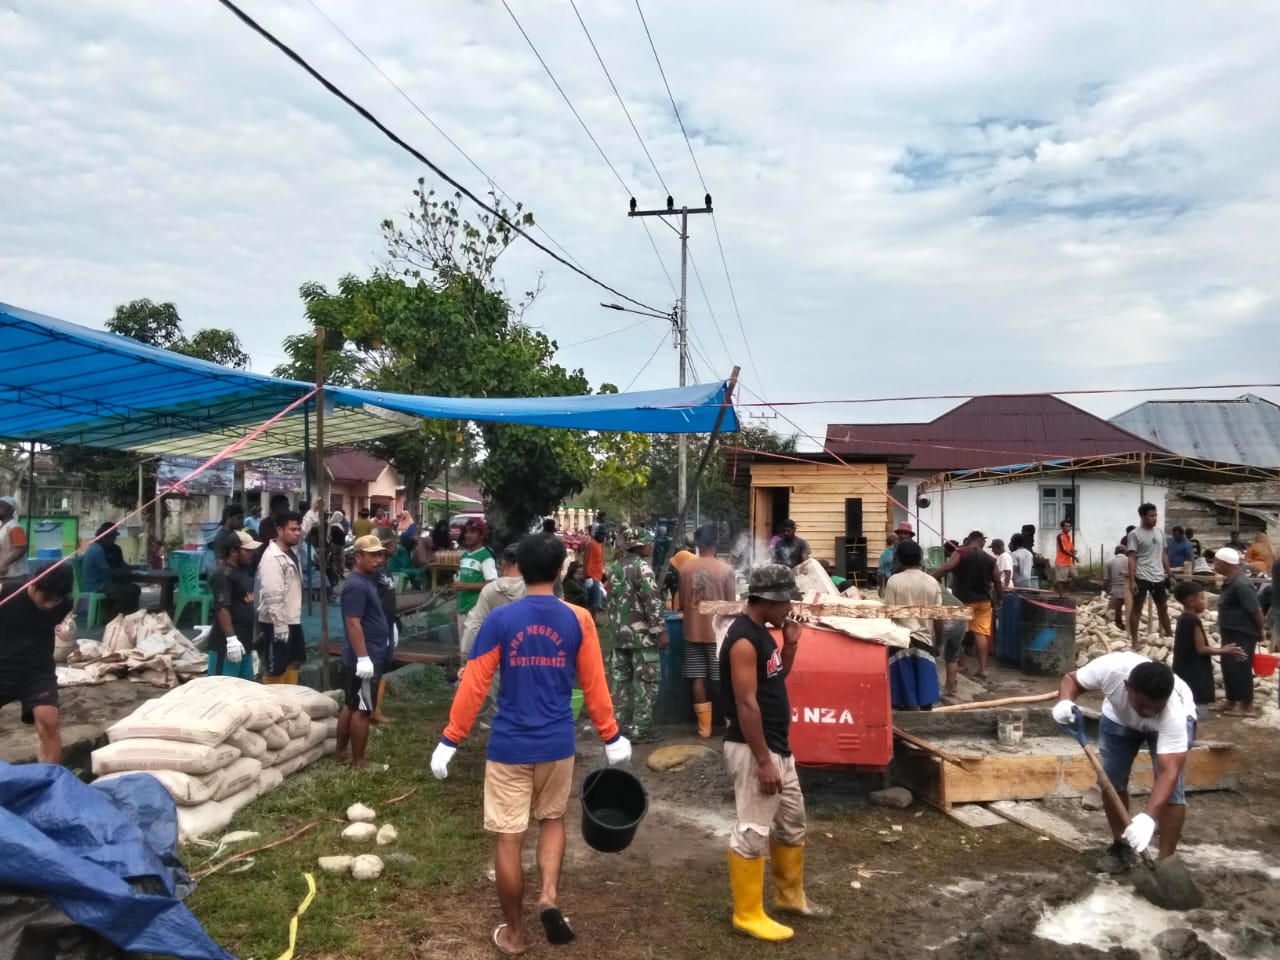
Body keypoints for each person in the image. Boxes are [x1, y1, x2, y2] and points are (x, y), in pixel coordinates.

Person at [430, 533, 630, 956]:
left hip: (509, 747)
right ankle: (549, 897)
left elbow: (474, 684)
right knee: (552, 819)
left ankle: (516, 933)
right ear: (561, 570)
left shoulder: (502, 620)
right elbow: (594, 683)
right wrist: (610, 735)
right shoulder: (579, 619)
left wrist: (451, 739)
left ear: (518, 567)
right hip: (557, 744)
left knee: (508, 839)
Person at [721, 564, 830, 942]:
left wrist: (792, 642)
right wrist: (764, 761)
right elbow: (746, 704)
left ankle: (789, 897)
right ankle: (747, 914)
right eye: (785, 600)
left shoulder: (765, 634)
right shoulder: (743, 641)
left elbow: (776, 676)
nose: (789, 606)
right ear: (765, 599)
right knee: (753, 831)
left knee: (791, 822)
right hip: (756, 750)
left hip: (777, 747)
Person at [1053, 653, 1197, 870]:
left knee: (1173, 794)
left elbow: (1169, 772)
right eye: (1142, 705)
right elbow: (1071, 680)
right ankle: (1122, 848)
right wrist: (1065, 702)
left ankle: (1166, 863)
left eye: (1155, 708)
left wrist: (1149, 818)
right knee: (1111, 780)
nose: (1147, 713)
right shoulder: (1112, 669)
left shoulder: (1173, 714)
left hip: (1165, 730)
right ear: (1127, 686)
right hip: (1118, 720)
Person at [0, 564, 74, 763]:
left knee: (49, 722)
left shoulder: (65, 603)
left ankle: (49, 780)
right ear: (32, 586)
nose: (50, 604)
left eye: (55, 599)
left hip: (37, 672)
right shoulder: (7, 592)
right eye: (45, 598)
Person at [335, 535, 391, 769]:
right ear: (358, 557)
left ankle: (341, 754)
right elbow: (353, 623)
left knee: (351, 704)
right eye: (373, 555)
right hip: (365, 656)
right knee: (363, 709)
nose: (378, 560)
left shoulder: (366, 580)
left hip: (365, 653)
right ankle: (360, 762)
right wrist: (364, 658)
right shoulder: (357, 585)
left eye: (380, 554)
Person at [679, 524, 738, 739]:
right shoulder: (725, 570)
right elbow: (732, 606)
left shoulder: (685, 568)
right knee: (720, 679)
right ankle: (728, 724)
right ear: (716, 543)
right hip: (717, 633)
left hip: (692, 631)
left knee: (698, 677)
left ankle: (704, 729)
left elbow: (682, 600)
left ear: (697, 542)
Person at [607, 533, 667, 743]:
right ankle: (641, 730)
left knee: (620, 683)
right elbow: (652, 602)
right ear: (640, 547)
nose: (650, 547)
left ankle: (617, 727)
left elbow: (612, 602)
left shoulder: (614, 568)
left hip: (619, 636)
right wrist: (660, 631)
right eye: (647, 544)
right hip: (642, 637)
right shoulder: (642, 568)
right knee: (646, 682)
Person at [932, 531, 1001, 692]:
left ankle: (961, 664)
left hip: (963, 601)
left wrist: (930, 578)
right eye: (984, 542)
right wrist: (1000, 598)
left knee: (959, 633)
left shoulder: (961, 552)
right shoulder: (990, 559)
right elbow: (997, 579)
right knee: (980, 634)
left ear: (969, 540)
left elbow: (948, 567)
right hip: (984, 601)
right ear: (979, 541)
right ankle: (982, 670)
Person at [1171, 580, 1245, 720]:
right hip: (1194, 673)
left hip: (1184, 670)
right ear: (1191, 601)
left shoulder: (1183, 619)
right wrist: (1225, 650)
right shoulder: (1192, 621)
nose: (1204, 602)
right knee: (1196, 709)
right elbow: (1201, 649)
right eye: (1202, 598)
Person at [883, 541, 942, 710]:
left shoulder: (894, 581)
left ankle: (907, 732)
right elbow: (938, 617)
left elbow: (889, 614)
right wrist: (939, 641)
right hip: (925, 640)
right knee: (926, 694)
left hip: (900, 641)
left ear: (899, 559)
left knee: (905, 695)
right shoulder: (932, 582)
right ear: (920, 559)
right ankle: (926, 729)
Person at [1213, 547, 1264, 718]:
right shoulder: (1230, 581)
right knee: (1228, 665)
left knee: (1240, 666)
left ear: (1226, 563)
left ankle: (1246, 705)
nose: (1214, 565)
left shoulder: (1242, 584)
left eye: (1216, 561)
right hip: (1230, 632)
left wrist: (1261, 631)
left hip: (1242, 633)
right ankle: (1231, 699)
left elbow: (1255, 610)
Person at [257, 511, 305, 685]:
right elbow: (272, 596)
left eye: (299, 529)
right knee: (275, 666)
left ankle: (289, 697)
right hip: (274, 622)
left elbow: (305, 528)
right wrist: (280, 625)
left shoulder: (292, 549)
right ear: (279, 530)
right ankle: (273, 703)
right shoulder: (271, 558)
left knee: (296, 659)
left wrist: (313, 512)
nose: (298, 533)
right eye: (292, 529)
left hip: (292, 618)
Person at [207, 530, 260, 679]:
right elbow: (222, 608)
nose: (251, 554)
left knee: (245, 689)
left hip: (245, 642)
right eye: (247, 550)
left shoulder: (242, 571)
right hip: (228, 646)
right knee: (223, 691)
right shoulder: (223, 576)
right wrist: (231, 639)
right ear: (233, 551)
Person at [460, 544, 526, 659]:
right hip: (523, 659)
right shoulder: (533, 590)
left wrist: (466, 657)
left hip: (493, 659)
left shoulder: (491, 590)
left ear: (504, 563)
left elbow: (474, 626)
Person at [1127, 503, 1172, 644]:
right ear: (1142, 516)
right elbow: (1132, 557)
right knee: (1137, 607)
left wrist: (1170, 574)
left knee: (1163, 607)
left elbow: (1164, 554)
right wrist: (1133, 580)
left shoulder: (1159, 532)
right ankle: (1135, 641)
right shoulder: (1134, 534)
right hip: (1142, 575)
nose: (1154, 518)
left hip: (1158, 576)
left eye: (1156, 515)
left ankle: (1170, 637)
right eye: (1151, 516)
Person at [452, 518, 497, 647]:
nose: (468, 535)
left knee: (471, 649)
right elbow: (461, 583)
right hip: (463, 608)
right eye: (466, 532)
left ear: (481, 535)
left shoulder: (486, 556)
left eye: (473, 532)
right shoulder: (465, 556)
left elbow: (492, 584)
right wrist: (457, 609)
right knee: (463, 648)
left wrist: (466, 586)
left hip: (476, 609)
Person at [81, 523, 141, 618]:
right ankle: (113, 618)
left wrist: (131, 569)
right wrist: (122, 572)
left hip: (105, 583)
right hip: (97, 585)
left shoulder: (104, 548)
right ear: (105, 538)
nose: (114, 541)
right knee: (127, 591)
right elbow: (108, 570)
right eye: (112, 538)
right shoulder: (96, 550)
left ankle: (130, 616)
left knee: (134, 588)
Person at [1102, 546, 1130, 630]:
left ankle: (1118, 624)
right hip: (1129, 590)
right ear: (1125, 552)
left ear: (1115, 553)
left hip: (1117, 591)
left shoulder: (1110, 563)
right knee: (1132, 609)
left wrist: (1104, 591)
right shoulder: (1130, 560)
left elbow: (1107, 579)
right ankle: (1131, 626)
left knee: (1115, 609)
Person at [0, 496, 29, 578]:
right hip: (5, 575)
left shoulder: (14, 527)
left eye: (1, 506)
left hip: (15, 575)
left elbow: (21, 548)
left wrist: (5, 563)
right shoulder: (3, 527)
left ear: (11, 510)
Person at [582, 526, 607, 613]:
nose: (603, 537)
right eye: (602, 534)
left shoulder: (599, 545)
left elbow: (599, 561)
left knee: (595, 603)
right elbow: (587, 561)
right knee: (594, 604)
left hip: (597, 576)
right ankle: (592, 622)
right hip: (592, 577)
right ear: (597, 534)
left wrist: (603, 573)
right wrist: (588, 576)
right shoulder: (592, 545)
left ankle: (592, 621)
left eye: (604, 534)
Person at [1053, 520, 1077, 598]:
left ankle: (1065, 592)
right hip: (1061, 562)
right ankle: (1061, 595)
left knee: (1075, 576)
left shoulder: (1069, 537)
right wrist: (1074, 556)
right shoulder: (1060, 536)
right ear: (1062, 527)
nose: (1068, 528)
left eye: (1069, 526)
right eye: (1066, 526)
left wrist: (1073, 552)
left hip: (1069, 562)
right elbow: (1063, 549)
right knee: (1061, 580)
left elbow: (1071, 548)